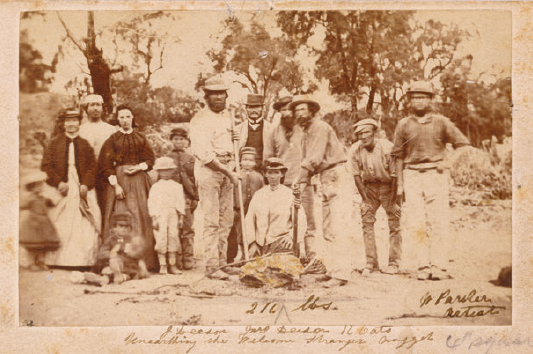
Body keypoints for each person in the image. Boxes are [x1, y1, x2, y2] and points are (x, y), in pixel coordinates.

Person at [391, 80, 470, 281]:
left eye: (423, 97)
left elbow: (462, 145)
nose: (419, 101)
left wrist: (448, 162)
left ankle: (439, 266)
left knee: (438, 220)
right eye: (415, 97)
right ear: (409, 101)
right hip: (412, 175)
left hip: (436, 174)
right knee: (417, 222)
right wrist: (400, 185)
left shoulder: (441, 122)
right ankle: (422, 266)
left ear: (430, 100)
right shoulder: (403, 125)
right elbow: (398, 156)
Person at [289, 95, 349, 288]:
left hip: (334, 175)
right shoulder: (306, 131)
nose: (299, 114)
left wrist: (299, 180)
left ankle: (341, 274)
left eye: (303, 109)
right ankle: (332, 270)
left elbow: (313, 159)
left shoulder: (319, 127)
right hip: (325, 177)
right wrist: (303, 180)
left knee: (335, 226)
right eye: (296, 111)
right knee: (327, 227)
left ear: (313, 111)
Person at [189, 75, 239, 280]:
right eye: (214, 94)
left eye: (222, 94)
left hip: (228, 168)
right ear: (206, 97)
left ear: (226, 96)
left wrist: (233, 164)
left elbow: (235, 145)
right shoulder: (199, 120)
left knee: (226, 219)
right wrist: (227, 171)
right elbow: (205, 154)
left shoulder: (229, 117)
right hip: (210, 170)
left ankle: (222, 262)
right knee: (211, 220)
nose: (219, 98)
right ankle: (211, 266)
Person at [98, 104, 157, 270]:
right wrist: (116, 185)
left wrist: (139, 167)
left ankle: (145, 261)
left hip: (139, 181)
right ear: (118, 119)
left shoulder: (141, 137)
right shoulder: (112, 139)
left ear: (133, 118)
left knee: (142, 215)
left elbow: (150, 159)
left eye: (128, 116)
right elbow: (105, 165)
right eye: (121, 117)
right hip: (120, 181)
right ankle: (119, 261)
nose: (125, 120)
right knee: (122, 216)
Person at [41, 108, 101, 267]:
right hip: (62, 185)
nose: (71, 124)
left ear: (79, 123)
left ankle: (83, 260)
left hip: (81, 186)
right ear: (63, 124)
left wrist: (86, 184)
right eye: (68, 121)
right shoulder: (54, 143)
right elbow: (46, 166)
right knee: (59, 218)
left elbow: (92, 167)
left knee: (86, 219)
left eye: (74, 121)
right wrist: (58, 182)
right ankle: (56, 260)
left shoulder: (85, 144)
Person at [347, 119, 402, 276]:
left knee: (394, 223)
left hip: (388, 186)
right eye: (360, 134)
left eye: (367, 132)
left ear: (374, 133)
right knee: (366, 221)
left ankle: (394, 263)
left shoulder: (386, 147)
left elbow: (394, 175)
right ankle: (371, 262)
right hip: (369, 187)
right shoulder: (355, 149)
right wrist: (364, 200)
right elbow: (356, 176)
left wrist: (394, 201)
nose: (363, 136)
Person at [244, 158, 306, 257]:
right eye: (270, 172)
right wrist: (252, 242)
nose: (273, 176)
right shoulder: (259, 194)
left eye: (276, 173)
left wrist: (291, 236)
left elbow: (301, 221)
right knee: (254, 268)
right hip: (260, 244)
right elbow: (249, 220)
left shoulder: (289, 194)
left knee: (278, 268)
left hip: (281, 242)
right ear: (265, 174)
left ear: (282, 174)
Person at [166, 126, 198, 270]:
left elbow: (195, 178)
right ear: (171, 140)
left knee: (187, 227)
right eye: (176, 139)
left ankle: (188, 257)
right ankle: (176, 258)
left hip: (186, 196)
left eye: (182, 139)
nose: (178, 142)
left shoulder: (191, 158)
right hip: (171, 197)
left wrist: (195, 197)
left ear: (186, 141)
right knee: (173, 228)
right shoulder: (166, 158)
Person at [79, 94, 117, 214]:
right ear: (86, 108)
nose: (95, 108)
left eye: (98, 105)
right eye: (92, 105)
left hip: (106, 173)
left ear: (102, 108)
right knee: (89, 206)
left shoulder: (111, 129)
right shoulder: (80, 129)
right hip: (86, 174)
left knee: (106, 205)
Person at [148, 157, 185, 275]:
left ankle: (172, 265)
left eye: (168, 170)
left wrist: (181, 217)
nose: (165, 173)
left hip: (172, 214)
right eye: (162, 170)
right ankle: (163, 265)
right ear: (158, 172)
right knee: (161, 238)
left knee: (173, 238)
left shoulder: (177, 186)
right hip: (160, 215)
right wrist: (153, 218)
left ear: (173, 171)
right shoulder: (155, 186)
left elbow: (180, 202)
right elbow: (151, 202)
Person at [227, 147, 264, 263]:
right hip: (240, 208)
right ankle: (242, 253)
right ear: (240, 161)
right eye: (245, 159)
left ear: (255, 162)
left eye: (251, 160)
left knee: (252, 230)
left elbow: (262, 193)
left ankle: (252, 253)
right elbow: (231, 192)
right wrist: (233, 207)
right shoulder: (236, 175)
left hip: (253, 210)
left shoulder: (259, 177)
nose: (247, 162)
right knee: (240, 232)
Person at [19, 171, 61, 271]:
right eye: (38, 186)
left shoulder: (44, 198)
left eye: (41, 186)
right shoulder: (30, 198)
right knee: (33, 246)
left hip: (44, 223)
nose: (40, 188)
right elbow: (21, 205)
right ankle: (32, 262)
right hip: (33, 223)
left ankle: (41, 261)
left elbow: (53, 203)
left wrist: (55, 198)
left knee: (43, 245)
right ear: (31, 188)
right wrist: (28, 199)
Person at [106, 211, 149, 284]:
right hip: (114, 263)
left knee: (133, 270)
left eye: (126, 226)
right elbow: (102, 253)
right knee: (109, 268)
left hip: (128, 265)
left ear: (130, 229)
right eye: (120, 226)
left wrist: (134, 254)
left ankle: (121, 277)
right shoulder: (110, 240)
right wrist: (113, 252)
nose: (124, 229)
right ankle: (103, 279)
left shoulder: (131, 240)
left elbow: (138, 253)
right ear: (114, 228)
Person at [237, 94, 273, 172]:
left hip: (264, 170)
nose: (253, 110)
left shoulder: (271, 128)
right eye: (251, 107)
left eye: (257, 107)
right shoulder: (239, 129)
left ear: (262, 108)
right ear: (246, 109)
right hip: (244, 170)